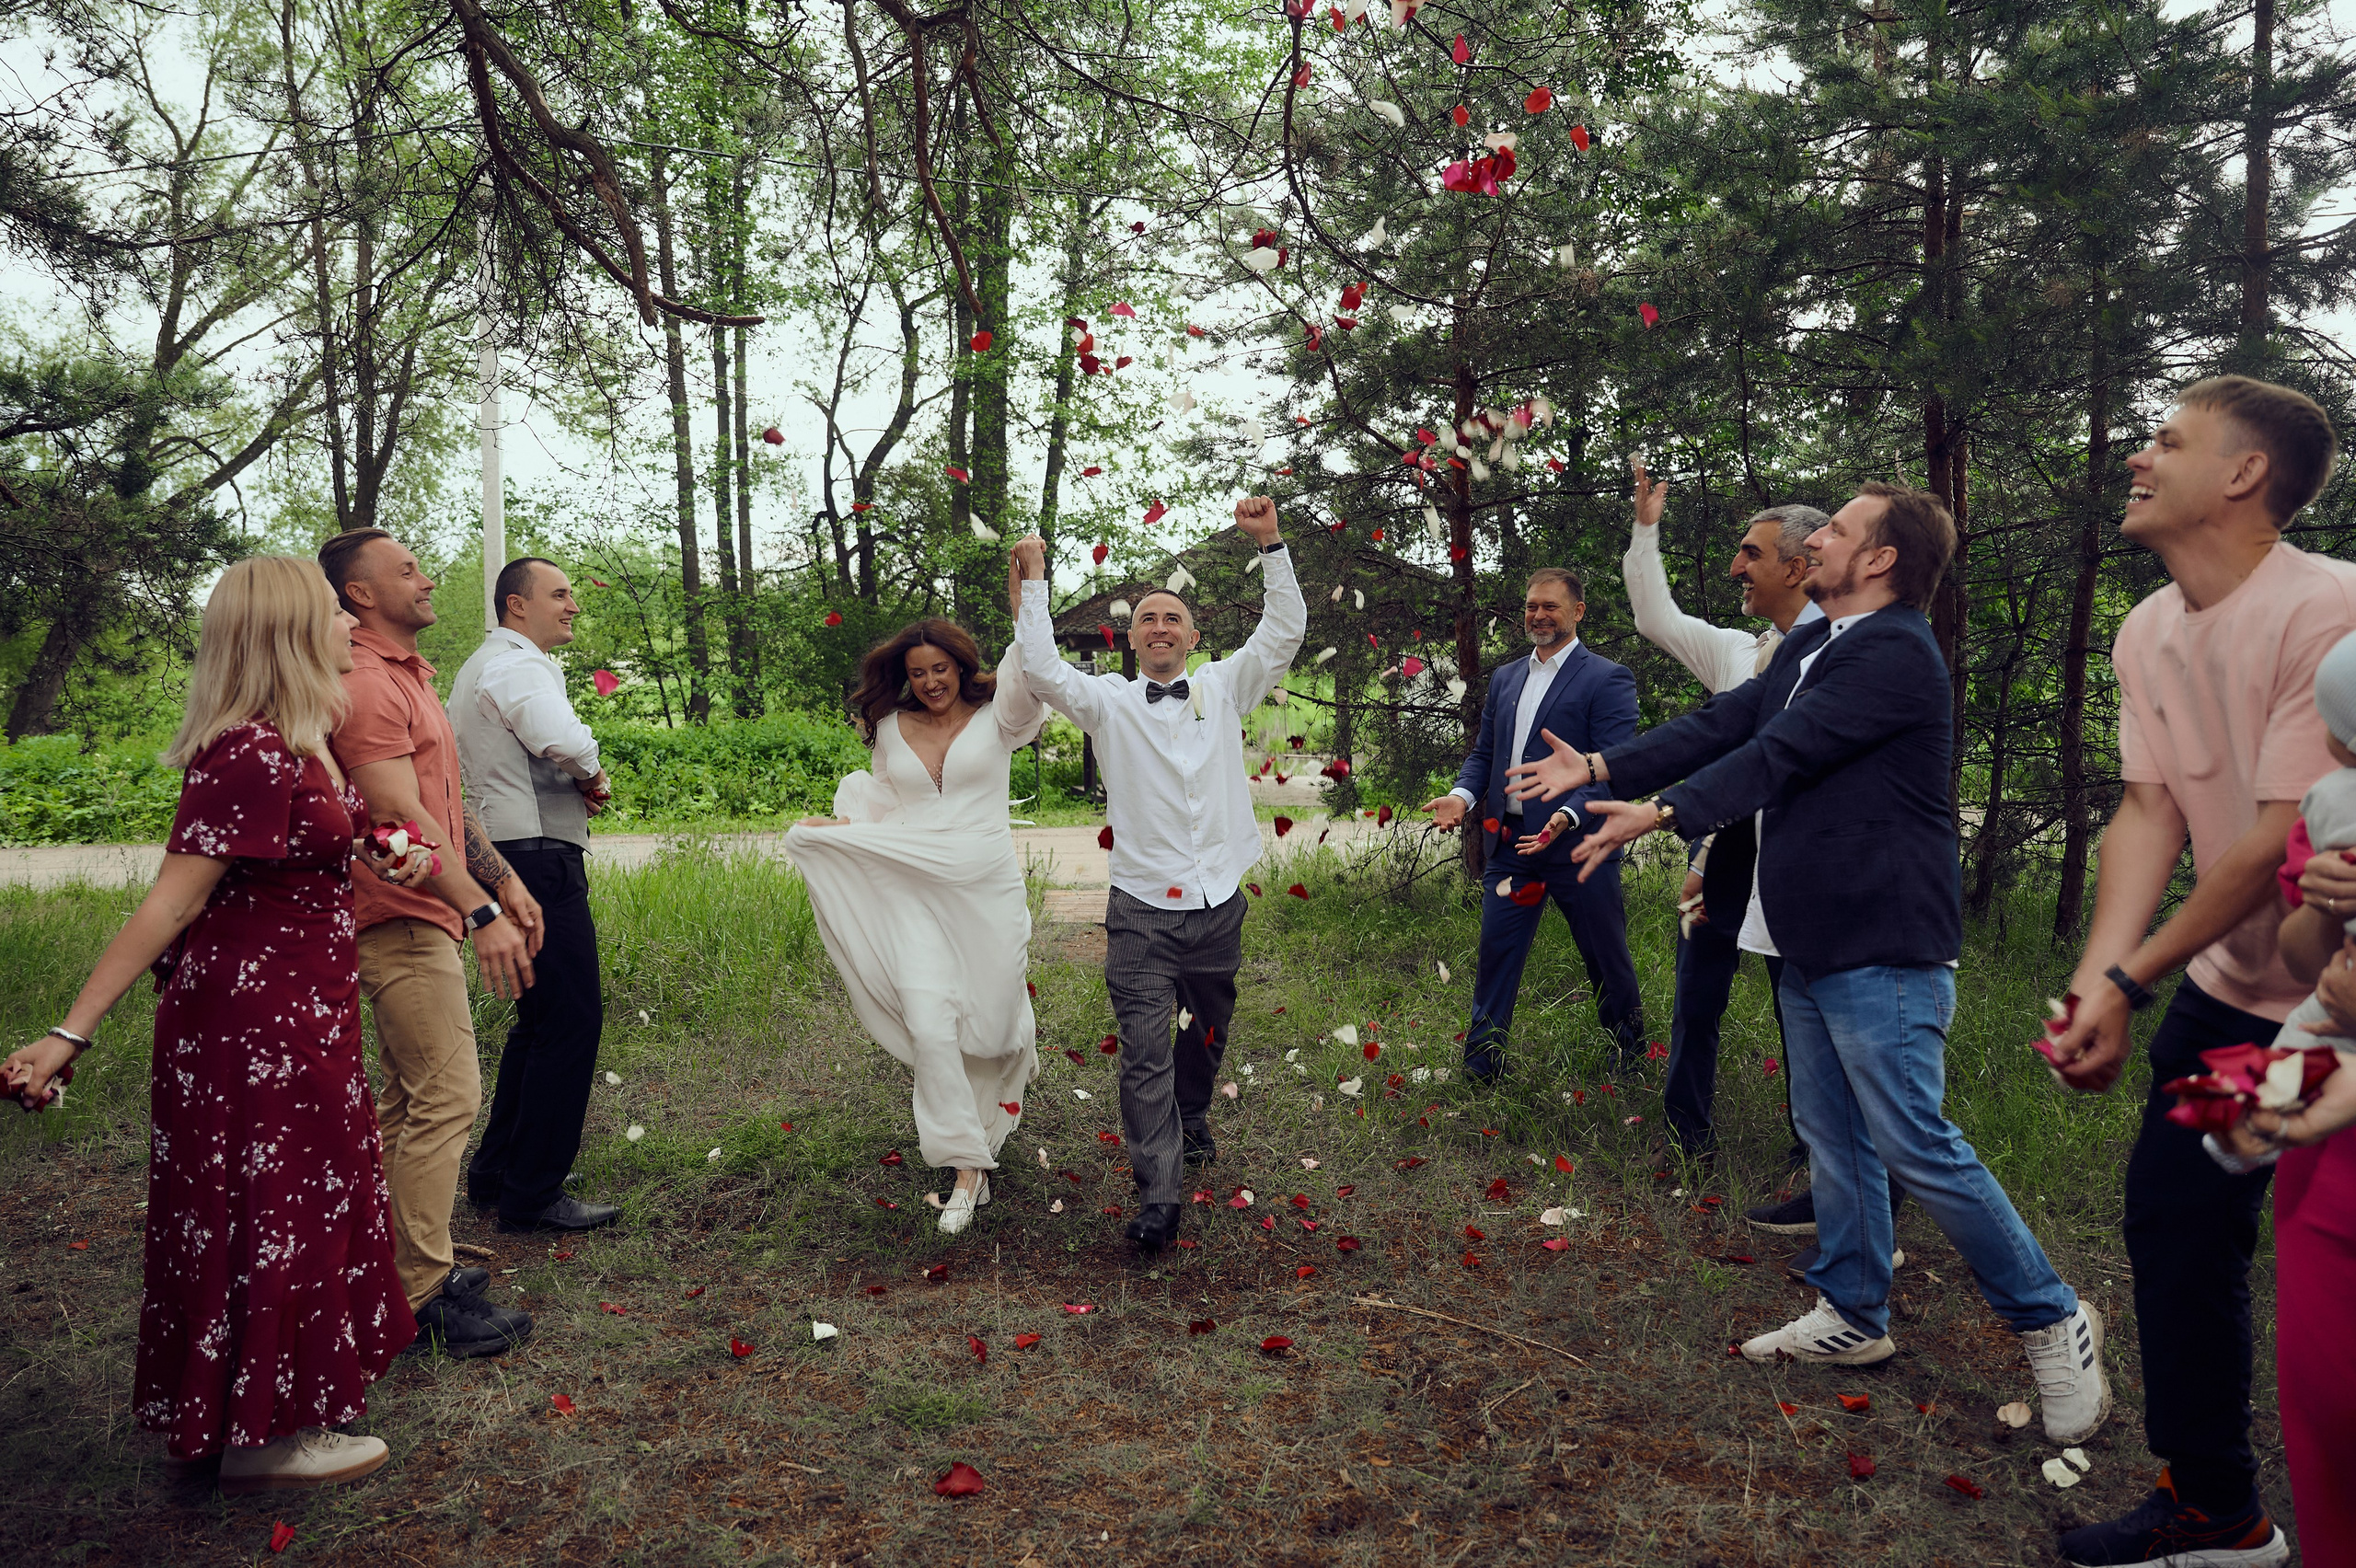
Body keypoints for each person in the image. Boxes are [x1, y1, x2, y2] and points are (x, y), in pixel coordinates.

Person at [1509, 482, 2109, 1447]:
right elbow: (1732, 721)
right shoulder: (1809, 646)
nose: (1814, 538)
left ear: (1877, 559)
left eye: (1834, 528)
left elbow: (1781, 754)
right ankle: (1853, 1313)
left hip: (1884, 938)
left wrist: (1662, 814)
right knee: (1832, 1135)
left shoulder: (1896, 652)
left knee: (1912, 1137)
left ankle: (2051, 1317)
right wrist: (1603, 768)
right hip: (1806, 933)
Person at [2, 558, 415, 1493]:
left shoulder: (301, 738)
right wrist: (70, 1032)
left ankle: (270, 1405)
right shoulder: (251, 751)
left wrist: (380, 848)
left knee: (307, 1201)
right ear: (286, 633)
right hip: (254, 1022)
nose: (350, 629)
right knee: (274, 1211)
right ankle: (263, 1439)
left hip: (305, 1006)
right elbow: (170, 904)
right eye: (330, 616)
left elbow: (294, 855)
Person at [2042, 377, 2351, 1568]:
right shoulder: (2148, 627)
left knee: (2321, 1267)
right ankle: (2218, 1509)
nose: (2138, 455)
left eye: (2167, 440)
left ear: (2241, 475)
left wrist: (2131, 982)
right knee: (2178, 1216)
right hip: (2238, 997)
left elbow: (2281, 832)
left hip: (2337, 1012)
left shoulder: (2329, 612)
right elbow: (2148, 812)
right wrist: (2098, 979)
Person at [1011, 497, 1305, 1251]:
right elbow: (1041, 668)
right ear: (1132, 639)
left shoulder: (1222, 687)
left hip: (1218, 903)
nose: (1161, 627)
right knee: (1145, 1050)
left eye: (1173, 617)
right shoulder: (1107, 702)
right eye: (1147, 619)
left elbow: (1284, 633)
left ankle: (1196, 1113)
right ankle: (1159, 1199)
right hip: (1141, 910)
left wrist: (1270, 543)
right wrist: (1035, 580)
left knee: (1205, 1034)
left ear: (1194, 636)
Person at [317, 528, 541, 1358]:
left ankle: (384, 1266)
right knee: (446, 1100)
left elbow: (442, 802)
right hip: (400, 916)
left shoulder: (407, 675)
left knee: (413, 1102)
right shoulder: (368, 684)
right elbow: (397, 817)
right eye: (405, 570)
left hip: (431, 909)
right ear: (361, 595)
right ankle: (416, 1295)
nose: (427, 578)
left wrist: (502, 879)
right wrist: (481, 914)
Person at [786, 611, 1044, 1234]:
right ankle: (965, 1169)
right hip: (912, 890)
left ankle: (986, 1124)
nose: (930, 681)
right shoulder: (889, 727)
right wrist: (840, 831)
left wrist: (1025, 595)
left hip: (985, 891)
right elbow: (883, 802)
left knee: (994, 1032)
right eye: (917, 673)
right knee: (933, 1028)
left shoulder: (1001, 717)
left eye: (940, 668)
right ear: (903, 677)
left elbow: (1027, 666)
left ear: (960, 665)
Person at [1621, 458, 1823, 1157]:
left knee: (1799, 1007)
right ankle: (1687, 1133)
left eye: (1752, 553)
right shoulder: (1738, 651)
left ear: (1798, 567)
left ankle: (1814, 1148)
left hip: (1798, 863)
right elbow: (1655, 618)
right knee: (1696, 996)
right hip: (1722, 855)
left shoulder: (1840, 656)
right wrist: (1647, 533)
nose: (1736, 566)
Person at [446, 557, 619, 1236]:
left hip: (514, 851)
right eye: (560, 594)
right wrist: (593, 767)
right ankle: (533, 1195)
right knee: (571, 1022)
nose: (572, 605)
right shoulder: (516, 665)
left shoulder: (489, 663)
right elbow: (560, 737)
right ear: (517, 606)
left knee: (540, 1023)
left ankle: (499, 1176)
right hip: (536, 858)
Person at [1423, 567, 1642, 1079]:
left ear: (1578, 612)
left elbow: (1615, 765)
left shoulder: (1607, 678)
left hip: (1580, 848)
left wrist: (1567, 816)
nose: (1538, 615)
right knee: (1497, 953)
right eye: (1531, 606)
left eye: (1550, 606)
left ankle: (1629, 1055)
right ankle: (1483, 1065)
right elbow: (1486, 754)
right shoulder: (1505, 678)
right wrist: (1462, 797)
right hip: (1513, 850)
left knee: (1604, 956)